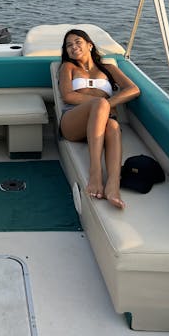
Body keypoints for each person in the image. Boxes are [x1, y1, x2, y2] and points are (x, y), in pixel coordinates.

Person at [58, 29, 140, 210]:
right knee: (103, 109)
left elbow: (133, 89)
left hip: (101, 121)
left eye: (78, 42)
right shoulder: (68, 67)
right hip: (73, 121)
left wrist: (106, 104)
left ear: (90, 45)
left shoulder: (108, 68)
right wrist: (102, 104)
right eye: (69, 45)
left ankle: (113, 184)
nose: (73, 47)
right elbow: (68, 96)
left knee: (112, 125)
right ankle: (95, 172)